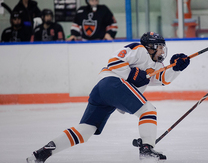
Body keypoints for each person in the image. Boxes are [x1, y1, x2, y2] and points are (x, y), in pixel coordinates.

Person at [26, 32, 190, 162]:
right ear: (149, 47)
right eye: (159, 47)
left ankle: (43, 153)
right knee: (148, 111)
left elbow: (161, 79)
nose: (162, 51)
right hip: (112, 83)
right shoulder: (139, 50)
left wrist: (176, 68)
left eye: (163, 47)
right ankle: (146, 149)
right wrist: (132, 74)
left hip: (102, 91)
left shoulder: (156, 65)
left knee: (86, 130)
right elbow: (114, 61)